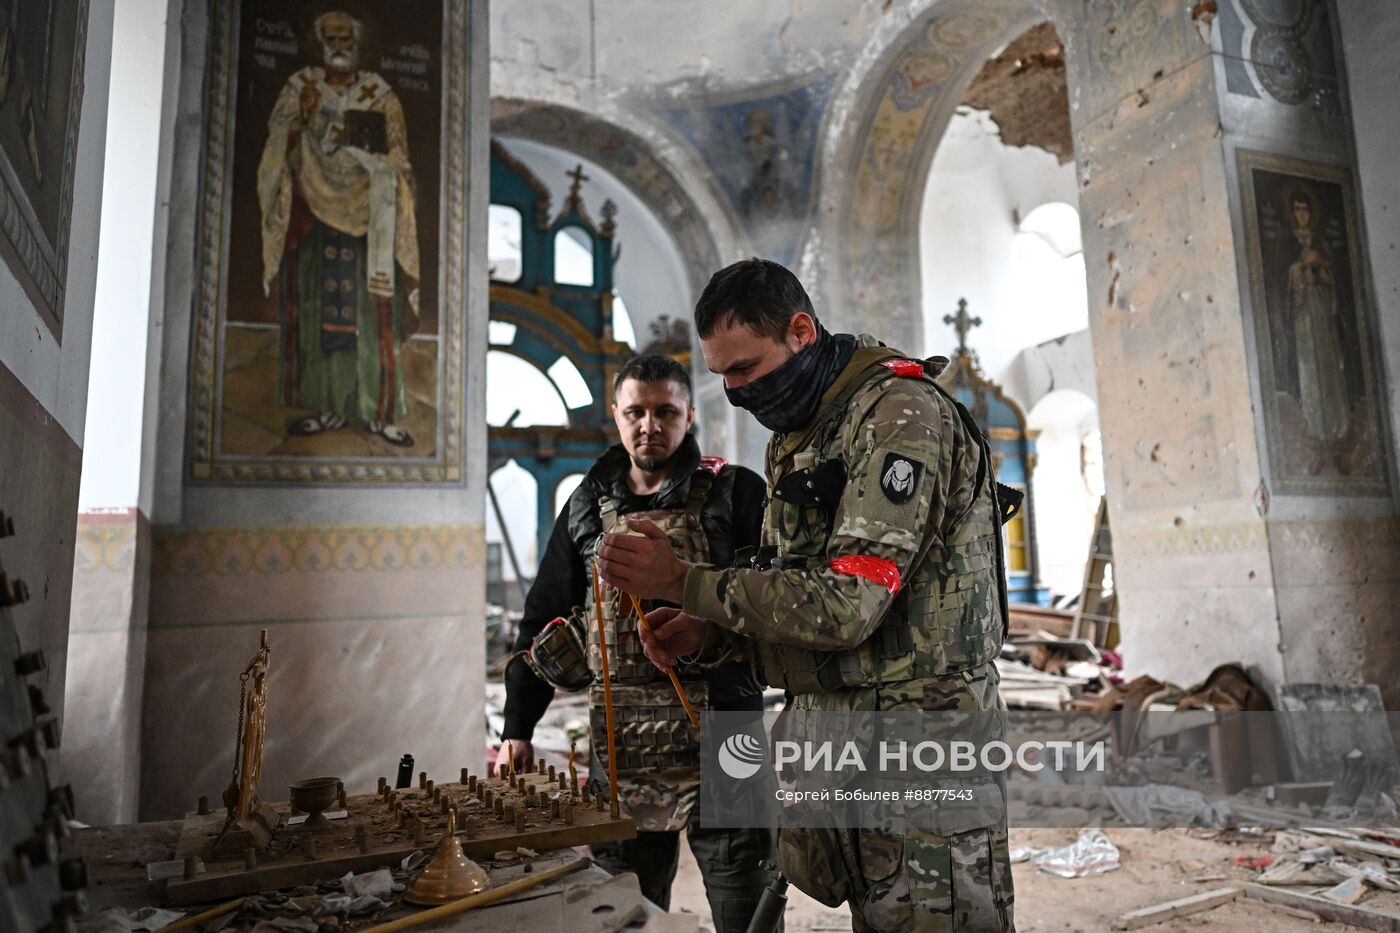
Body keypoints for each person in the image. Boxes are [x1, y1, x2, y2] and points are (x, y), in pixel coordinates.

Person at [598, 259, 1016, 931]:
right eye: (722, 374)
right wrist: (713, 635)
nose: (734, 390)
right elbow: (800, 588)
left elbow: (848, 604)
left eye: (745, 368)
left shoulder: (899, 415)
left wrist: (685, 581)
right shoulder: (804, 433)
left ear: (799, 331)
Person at [498, 353, 774, 931]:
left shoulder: (736, 494)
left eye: (665, 411)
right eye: (636, 412)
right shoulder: (586, 507)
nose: (650, 425)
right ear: (616, 415)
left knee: (744, 905)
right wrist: (517, 730)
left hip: (727, 736)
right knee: (624, 913)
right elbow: (543, 617)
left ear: (690, 413)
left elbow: (777, 601)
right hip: (619, 744)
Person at [257, 10, 420, 447]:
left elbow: (398, 155)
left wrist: (368, 153)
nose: (339, 45)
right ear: (319, 42)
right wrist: (298, 125)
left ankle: (379, 412)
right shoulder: (302, 88)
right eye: (331, 38)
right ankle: (327, 406)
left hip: (371, 221)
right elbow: (278, 145)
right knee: (319, 315)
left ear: (358, 41)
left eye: (346, 37)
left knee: (374, 317)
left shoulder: (378, 94)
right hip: (314, 212)